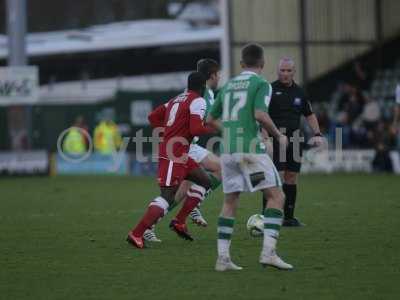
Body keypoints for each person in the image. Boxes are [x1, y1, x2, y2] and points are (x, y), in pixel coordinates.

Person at [207, 43, 293, 271]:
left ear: (242, 64)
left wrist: (229, 132)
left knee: (230, 200)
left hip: (228, 150)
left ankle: (223, 259)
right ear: (262, 64)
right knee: (277, 197)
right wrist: (278, 135)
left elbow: (210, 119)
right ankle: (268, 253)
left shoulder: (228, 85)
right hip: (251, 150)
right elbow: (260, 114)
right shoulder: (261, 83)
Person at [127, 72, 215, 249]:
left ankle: (180, 221)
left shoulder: (177, 99)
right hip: (174, 153)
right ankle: (136, 233)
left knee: (205, 181)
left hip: (180, 152)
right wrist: (213, 129)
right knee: (168, 195)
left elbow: (153, 117)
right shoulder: (198, 100)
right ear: (203, 86)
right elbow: (196, 128)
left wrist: (168, 130)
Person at [143, 58, 222, 242]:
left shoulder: (195, 94)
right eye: (218, 74)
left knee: (180, 191)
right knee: (218, 170)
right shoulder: (202, 96)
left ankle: (179, 213)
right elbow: (206, 121)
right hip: (187, 145)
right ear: (211, 76)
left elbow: (157, 117)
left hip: (188, 144)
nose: (220, 78)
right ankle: (192, 205)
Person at [262, 57, 323, 227]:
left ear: (294, 72)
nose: (285, 74)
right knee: (276, 177)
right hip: (276, 137)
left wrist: (317, 133)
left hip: (295, 138)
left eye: (289, 71)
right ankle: (266, 217)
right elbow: (262, 114)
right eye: (282, 70)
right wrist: (265, 136)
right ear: (278, 71)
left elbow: (309, 114)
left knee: (291, 177)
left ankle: (288, 218)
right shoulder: (270, 90)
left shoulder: (300, 92)